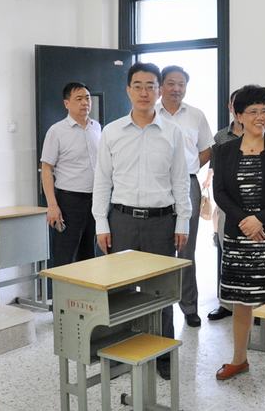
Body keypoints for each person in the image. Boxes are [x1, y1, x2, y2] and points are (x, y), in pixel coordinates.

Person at [92, 62, 191, 380]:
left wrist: (183, 221)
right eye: (138, 85)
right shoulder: (111, 131)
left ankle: (163, 355)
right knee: (119, 290)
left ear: (159, 91)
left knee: (161, 291)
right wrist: (101, 223)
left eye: (151, 86)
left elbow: (180, 180)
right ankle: (119, 351)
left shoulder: (172, 132)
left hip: (161, 222)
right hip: (121, 219)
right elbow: (102, 180)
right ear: (128, 90)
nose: (144, 92)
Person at [212, 85, 265, 380]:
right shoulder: (223, 151)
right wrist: (245, 221)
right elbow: (220, 193)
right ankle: (239, 360)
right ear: (239, 116)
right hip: (239, 238)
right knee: (241, 302)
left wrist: (259, 220)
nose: (261, 117)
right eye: (253, 111)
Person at [157, 65, 213, 328]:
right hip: (157, 184)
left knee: (186, 249)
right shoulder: (150, 113)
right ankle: (158, 307)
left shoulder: (196, 115)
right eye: (171, 83)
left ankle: (189, 306)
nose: (176, 89)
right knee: (159, 249)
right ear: (161, 86)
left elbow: (207, 148)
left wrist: (189, 168)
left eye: (181, 84)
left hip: (188, 183)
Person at [41, 82, 100, 272]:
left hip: (95, 201)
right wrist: (52, 205)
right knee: (65, 256)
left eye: (87, 98)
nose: (85, 103)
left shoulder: (97, 128)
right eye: (79, 99)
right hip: (69, 202)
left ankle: (87, 292)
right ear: (67, 103)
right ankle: (61, 293)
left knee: (90, 256)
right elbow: (46, 169)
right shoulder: (57, 131)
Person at [206, 88, 243, 321]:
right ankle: (227, 304)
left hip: (255, 208)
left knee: (250, 258)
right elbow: (215, 171)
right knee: (226, 254)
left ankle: (253, 305)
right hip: (227, 205)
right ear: (230, 107)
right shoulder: (220, 137)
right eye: (235, 104)